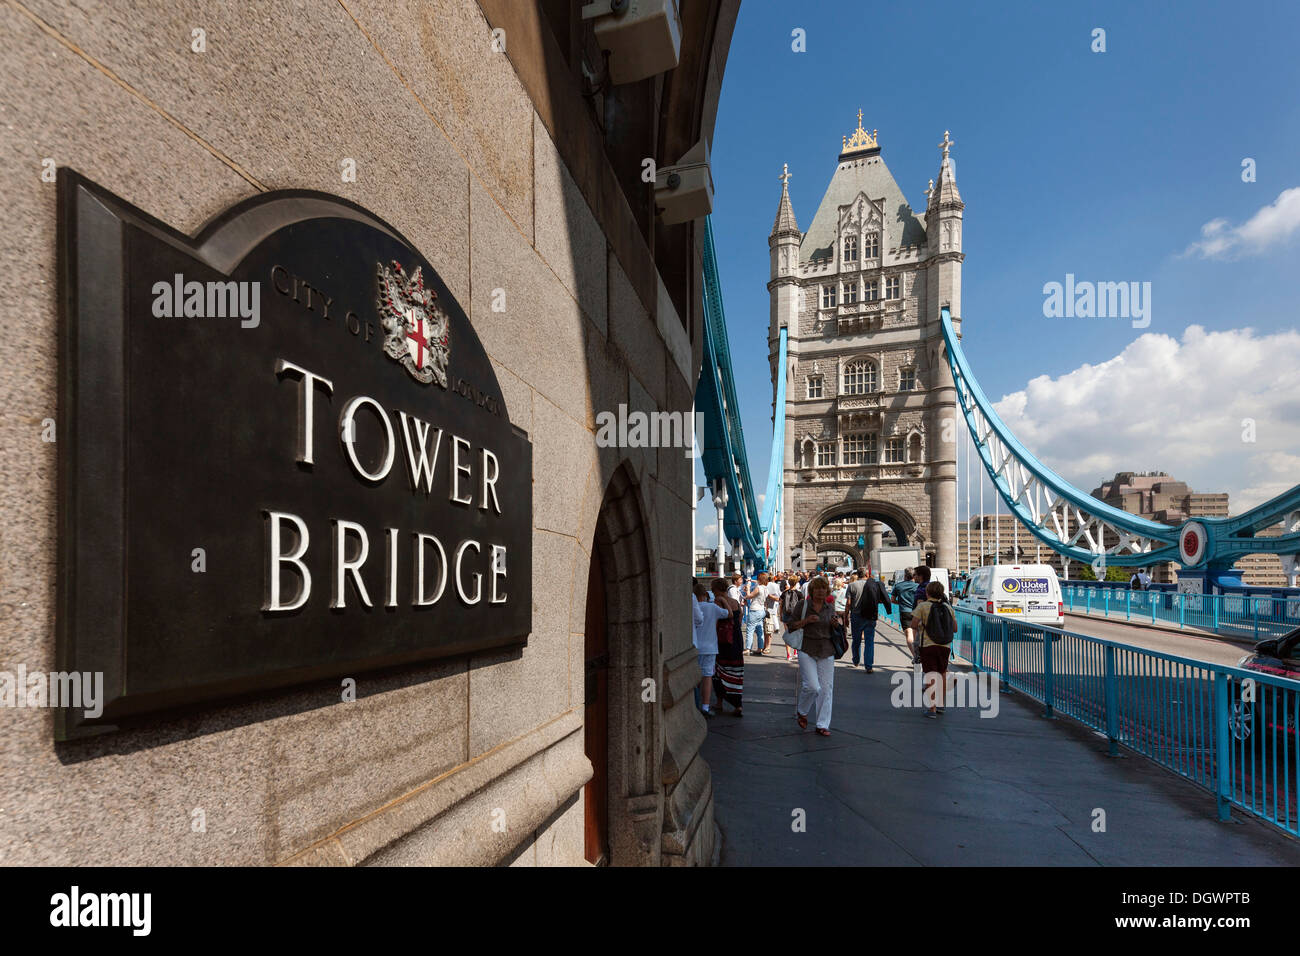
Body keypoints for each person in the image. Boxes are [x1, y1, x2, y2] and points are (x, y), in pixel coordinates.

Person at [791, 576, 839, 737]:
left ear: (827, 591)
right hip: (807, 647)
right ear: (811, 591)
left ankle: (822, 724)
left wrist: (836, 625)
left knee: (826, 689)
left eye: (823, 588)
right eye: (817, 588)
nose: (820, 591)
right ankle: (802, 711)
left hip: (826, 649)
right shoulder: (802, 605)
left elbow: (839, 630)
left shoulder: (830, 607)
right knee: (812, 686)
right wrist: (805, 621)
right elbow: (791, 625)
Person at [911, 580, 957, 718]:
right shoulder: (948, 608)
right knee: (942, 673)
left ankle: (932, 708)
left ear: (927, 592)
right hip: (945, 646)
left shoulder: (923, 606)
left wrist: (921, 624)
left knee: (931, 675)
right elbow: (954, 628)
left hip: (928, 645)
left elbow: (913, 624)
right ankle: (941, 705)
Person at [692, 579, 730, 718]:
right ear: (705, 595)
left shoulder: (690, 605)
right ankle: (705, 707)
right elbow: (728, 614)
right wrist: (724, 601)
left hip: (694, 646)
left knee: (694, 678)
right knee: (707, 676)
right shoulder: (712, 607)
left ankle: (694, 704)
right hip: (710, 647)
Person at [710, 577, 745, 716]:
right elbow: (740, 616)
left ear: (717, 589)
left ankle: (719, 703)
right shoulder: (735, 601)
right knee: (735, 671)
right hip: (736, 639)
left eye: (713, 589)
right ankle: (738, 704)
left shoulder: (718, 601)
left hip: (723, 641)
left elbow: (716, 621)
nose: (712, 591)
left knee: (719, 671)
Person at [846, 568, 891, 672]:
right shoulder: (874, 585)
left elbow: (848, 603)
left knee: (856, 640)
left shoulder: (852, 585)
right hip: (870, 616)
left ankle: (856, 660)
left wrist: (845, 617)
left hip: (856, 616)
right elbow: (879, 600)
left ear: (857, 574)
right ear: (867, 574)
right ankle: (868, 666)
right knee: (869, 641)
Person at [890, 568, 921, 662]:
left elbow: (892, 600)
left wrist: (901, 603)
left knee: (909, 635)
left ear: (905, 575)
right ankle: (919, 655)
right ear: (914, 576)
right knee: (918, 635)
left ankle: (916, 656)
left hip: (905, 612)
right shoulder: (918, 586)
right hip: (917, 612)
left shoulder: (898, 586)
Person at [742, 573, 768, 655]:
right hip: (762, 610)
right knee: (760, 630)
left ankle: (748, 649)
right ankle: (760, 648)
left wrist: (748, 588)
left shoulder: (758, 588)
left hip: (754, 610)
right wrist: (750, 580)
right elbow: (757, 582)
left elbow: (749, 596)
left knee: (750, 630)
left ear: (759, 580)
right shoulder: (766, 588)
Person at [780, 576, 803, 662]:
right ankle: (795, 651)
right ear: (796, 583)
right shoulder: (799, 593)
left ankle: (788, 654)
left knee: (787, 633)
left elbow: (781, 604)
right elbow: (802, 605)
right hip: (796, 616)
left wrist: (781, 615)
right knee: (796, 634)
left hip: (786, 614)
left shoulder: (784, 593)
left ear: (788, 583)